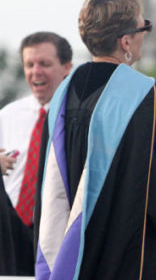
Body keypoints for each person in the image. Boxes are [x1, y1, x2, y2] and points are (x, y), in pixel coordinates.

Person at [34, 0, 156, 280]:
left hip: (73, 260)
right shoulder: (148, 98)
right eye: (143, 27)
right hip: (131, 259)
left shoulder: (61, 96)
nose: (145, 35)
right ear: (125, 40)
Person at [0, 31, 73, 275]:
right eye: (29, 64)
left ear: (67, 67)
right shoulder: (7, 116)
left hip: (56, 231)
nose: (36, 71)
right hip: (9, 233)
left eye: (45, 64)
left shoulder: (78, 118)